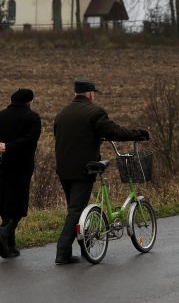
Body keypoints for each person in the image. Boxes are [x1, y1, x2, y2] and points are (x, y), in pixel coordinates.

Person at [53, 79, 149, 265]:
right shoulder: (95, 112)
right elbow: (115, 132)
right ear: (90, 94)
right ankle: (62, 253)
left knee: (76, 209)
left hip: (64, 169)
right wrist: (138, 134)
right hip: (84, 169)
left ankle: (85, 246)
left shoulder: (62, 114)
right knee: (75, 210)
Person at [0, 88, 41, 258]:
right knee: (19, 205)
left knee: (4, 203)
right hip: (20, 167)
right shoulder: (33, 118)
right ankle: (4, 232)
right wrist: (9, 147)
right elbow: (30, 140)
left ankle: (9, 246)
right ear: (29, 102)